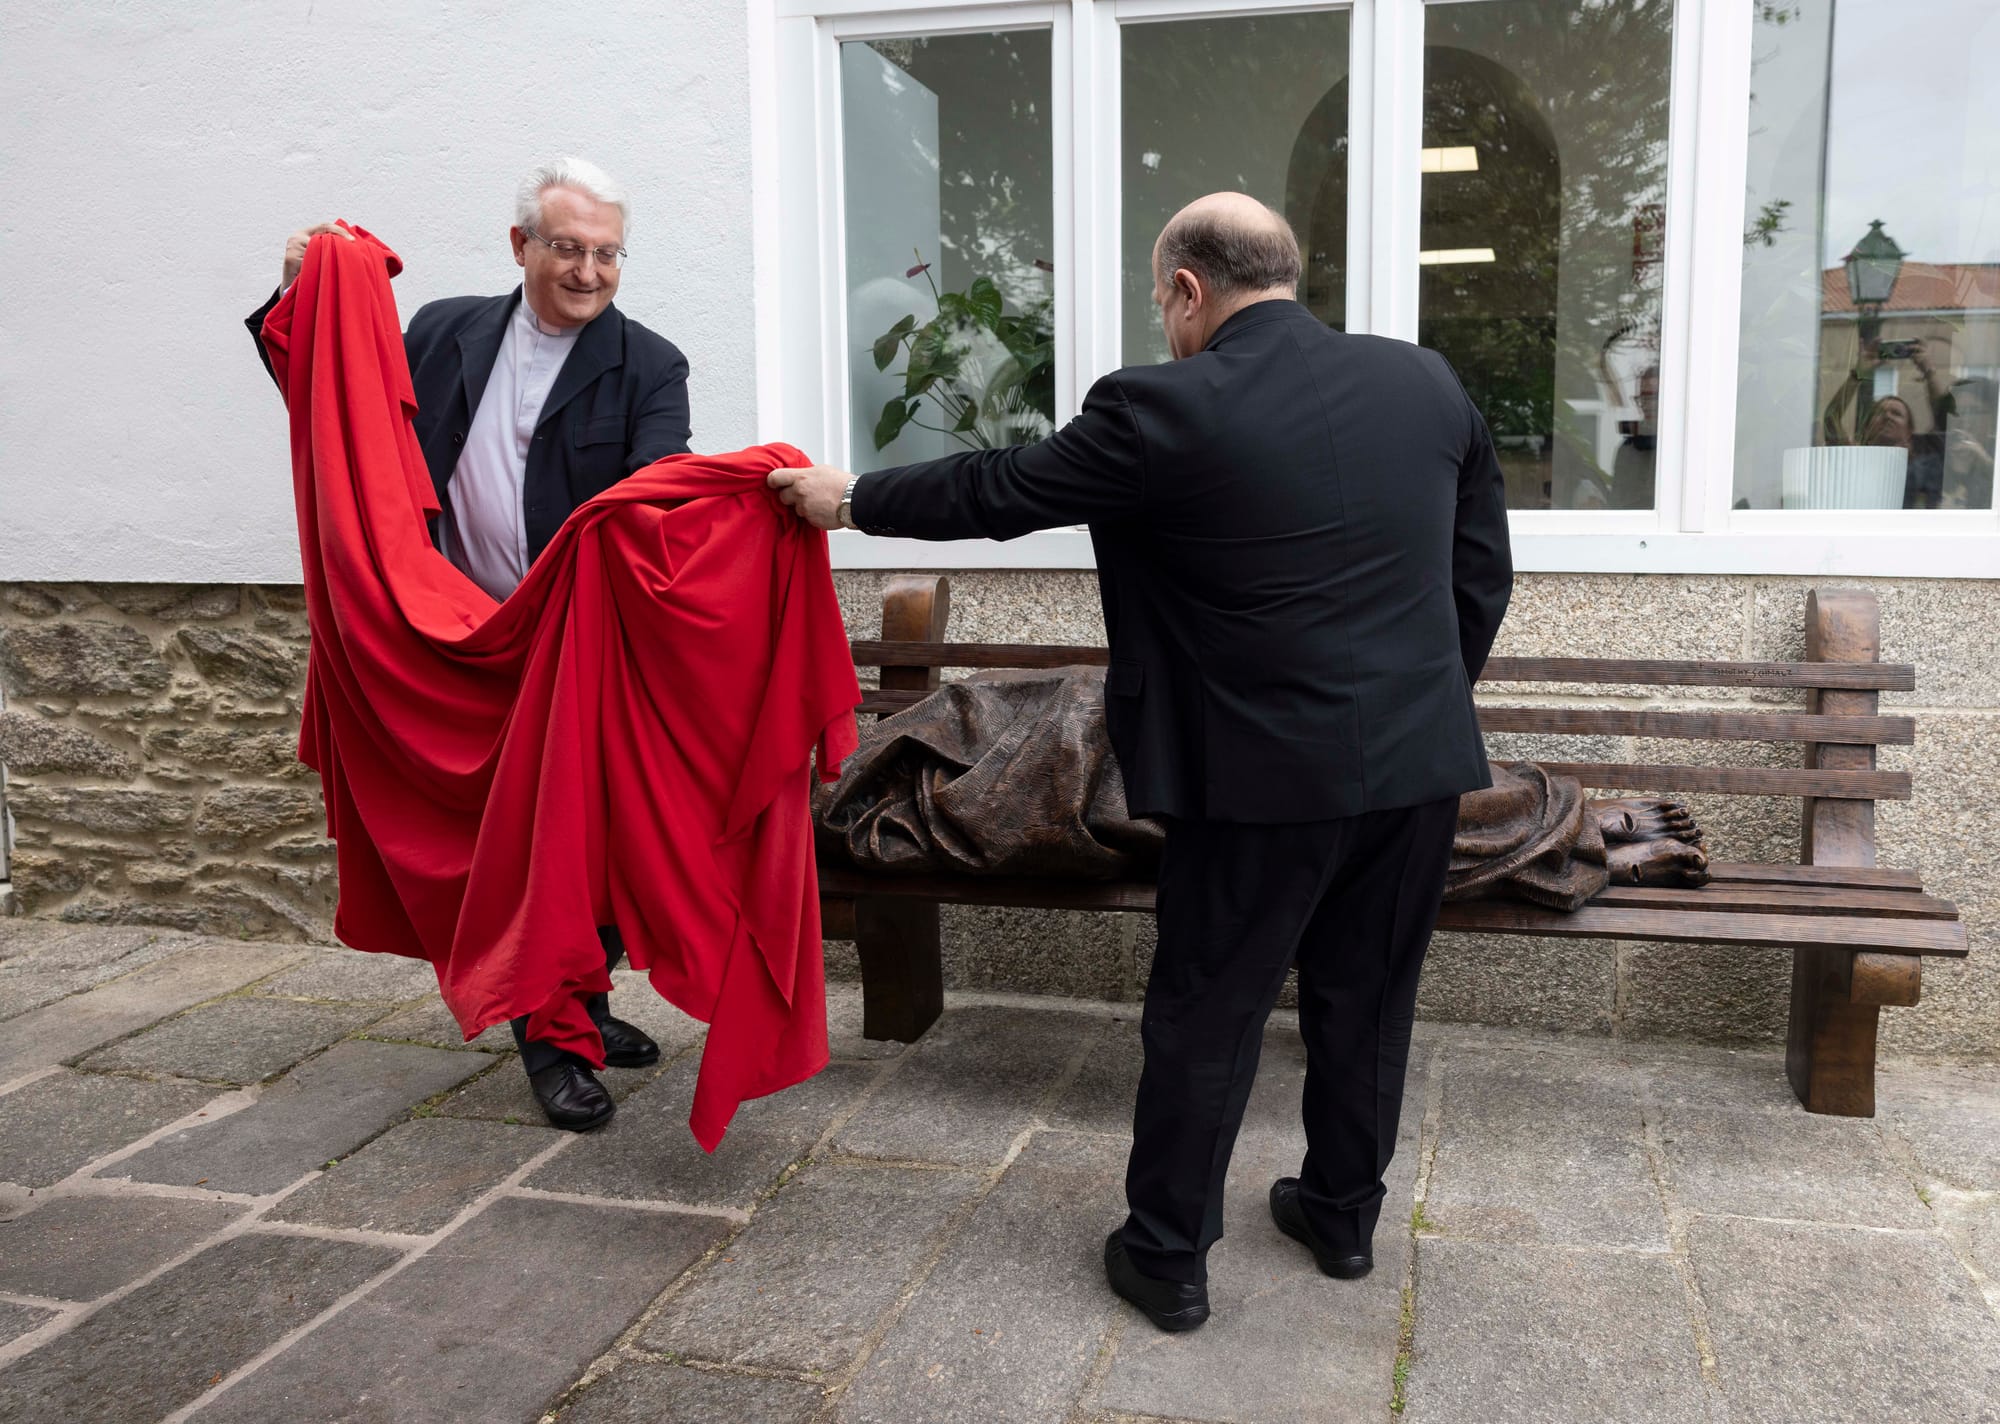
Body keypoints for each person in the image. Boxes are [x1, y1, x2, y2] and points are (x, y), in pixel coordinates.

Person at [770, 192, 1512, 1331]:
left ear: (1186, 289)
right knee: (1368, 1003)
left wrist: (852, 499)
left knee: (1208, 1013)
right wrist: (1421, 706)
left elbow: (999, 488)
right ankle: (1342, 1218)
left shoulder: (1159, 403)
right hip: (1417, 768)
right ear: (1285, 271)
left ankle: (1167, 1257)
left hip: (1255, 786)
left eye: (1163, 300)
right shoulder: (1426, 382)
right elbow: (1479, 573)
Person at [247, 157, 693, 1132]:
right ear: (520, 244)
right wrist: (301, 293)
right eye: (567, 247)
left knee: (599, 841)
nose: (588, 271)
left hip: (575, 644)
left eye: (608, 253)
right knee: (519, 852)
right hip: (449, 639)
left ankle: (581, 1002)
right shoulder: (442, 330)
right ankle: (553, 1040)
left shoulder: (651, 365)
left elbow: (661, 481)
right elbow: (340, 409)